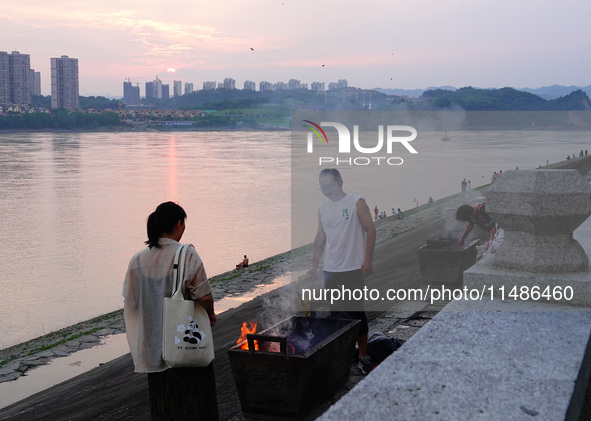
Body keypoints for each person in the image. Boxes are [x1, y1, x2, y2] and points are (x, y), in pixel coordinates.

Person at [122, 201, 219, 420]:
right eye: (183, 224)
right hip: (186, 342)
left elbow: (132, 303)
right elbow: (203, 296)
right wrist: (211, 314)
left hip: (154, 346)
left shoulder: (137, 260)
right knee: (194, 401)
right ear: (178, 224)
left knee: (163, 402)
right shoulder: (186, 254)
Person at [310, 169, 376, 375]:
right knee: (336, 314)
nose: (327, 191)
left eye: (330, 186)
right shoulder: (323, 207)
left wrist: (368, 260)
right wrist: (314, 265)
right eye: (323, 188)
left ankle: (363, 355)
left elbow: (371, 230)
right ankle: (345, 353)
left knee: (356, 312)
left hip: (353, 268)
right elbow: (320, 238)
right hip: (331, 269)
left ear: (340, 182)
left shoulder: (357, 202)